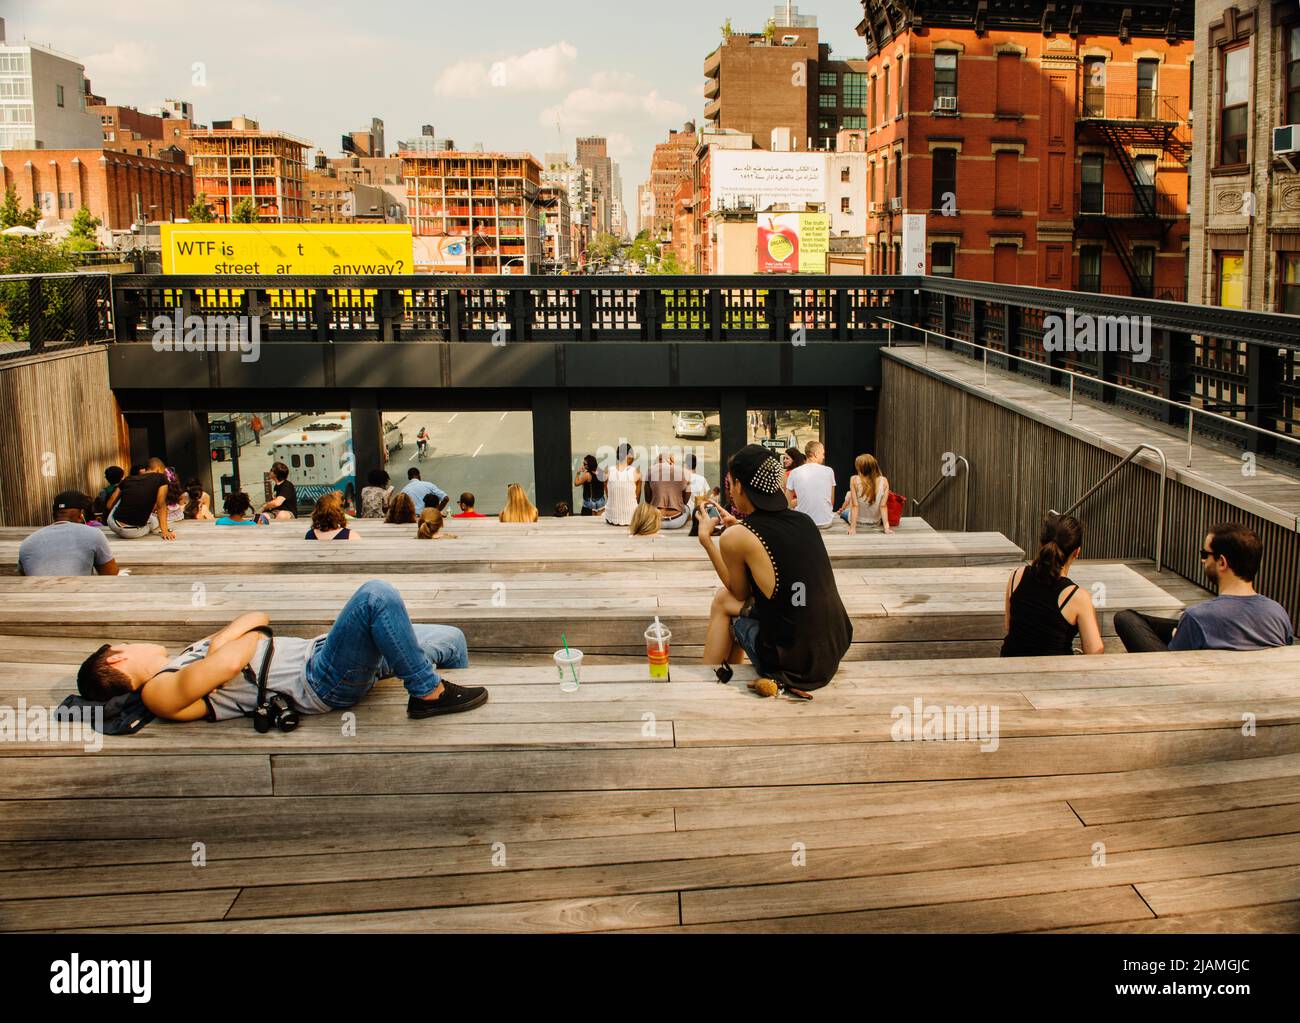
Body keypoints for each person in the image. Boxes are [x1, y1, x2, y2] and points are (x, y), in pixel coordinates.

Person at [75, 579, 488, 722]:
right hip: (321, 679)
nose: (134, 642)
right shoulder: (157, 692)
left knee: (451, 638)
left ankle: (424, 677)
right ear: (116, 658)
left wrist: (224, 646)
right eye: (125, 645)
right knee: (375, 596)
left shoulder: (184, 661)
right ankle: (427, 693)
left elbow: (257, 616)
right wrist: (227, 644)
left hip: (326, 655)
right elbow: (241, 649)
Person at [697, 445, 852, 696]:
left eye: (730, 483)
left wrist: (706, 540)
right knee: (739, 604)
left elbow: (738, 592)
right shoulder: (803, 521)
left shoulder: (736, 537)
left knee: (723, 601)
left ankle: (709, 679)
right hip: (830, 650)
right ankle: (727, 674)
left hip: (791, 663)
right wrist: (739, 526)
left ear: (738, 486)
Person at [1115, 524, 1294, 653]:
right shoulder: (1278, 613)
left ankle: (1179, 631)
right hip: (1257, 683)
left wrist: (1179, 636)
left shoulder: (1198, 615)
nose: (1202, 560)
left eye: (1205, 554)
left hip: (1196, 687)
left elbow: (1171, 665)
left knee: (1126, 619)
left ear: (1222, 562)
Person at [1000, 514, 1103, 658]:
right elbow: (1094, 652)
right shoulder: (1078, 597)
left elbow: (1009, 627)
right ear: (1077, 551)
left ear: (1042, 544)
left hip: (1009, 668)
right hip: (1053, 676)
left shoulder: (1016, 575)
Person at [18, 491, 119, 576]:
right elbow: (111, 575)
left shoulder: (28, 542)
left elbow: (23, 574)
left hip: (36, 598)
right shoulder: (94, 534)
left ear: (54, 515)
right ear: (81, 514)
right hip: (77, 597)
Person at [106, 459, 175, 541]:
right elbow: (161, 505)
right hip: (132, 532)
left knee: (126, 495)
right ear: (158, 469)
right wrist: (165, 531)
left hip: (113, 524)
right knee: (153, 521)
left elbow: (109, 504)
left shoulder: (128, 479)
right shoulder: (161, 478)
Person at [785, 441, 836, 530]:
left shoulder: (795, 472)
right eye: (823, 454)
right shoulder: (829, 471)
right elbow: (831, 502)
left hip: (804, 523)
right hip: (826, 522)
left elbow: (787, 503)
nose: (824, 457)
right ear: (816, 454)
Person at [842, 453, 892, 536]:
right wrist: (887, 528)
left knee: (845, 511)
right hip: (875, 522)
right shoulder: (884, 481)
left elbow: (855, 505)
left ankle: (841, 510)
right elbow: (883, 506)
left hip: (857, 522)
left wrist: (853, 528)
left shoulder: (854, 479)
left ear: (860, 468)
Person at [603, 442, 640, 527]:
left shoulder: (608, 471)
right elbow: (637, 498)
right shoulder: (636, 472)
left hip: (611, 518)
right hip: (631, 519)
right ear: (629, 455)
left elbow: (609, 495)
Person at [684, 453, 711, 538]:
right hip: (697, 516)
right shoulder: (702, 479)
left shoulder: (682, 479)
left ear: (685, 465)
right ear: (696, 465)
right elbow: (706, 498)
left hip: (685, 517)